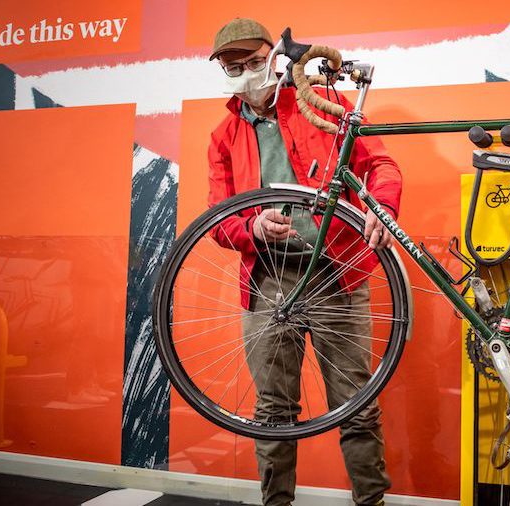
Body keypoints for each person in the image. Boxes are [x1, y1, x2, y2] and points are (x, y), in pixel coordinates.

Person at [206, 17, 402, 506]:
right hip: (270, 279)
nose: (246, 73)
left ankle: (371, 501)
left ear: (274, 58)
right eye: (234, 66)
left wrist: (382, 207)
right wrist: (250, 227)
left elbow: (380, 164)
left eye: (254, 62)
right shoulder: (223, 136)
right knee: (273, 409)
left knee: (356, 405)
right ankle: (276, 504)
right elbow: (216, 220)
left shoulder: (324, 104)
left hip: (337, 272)